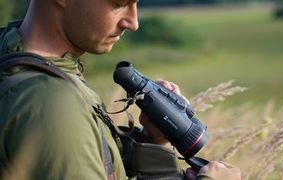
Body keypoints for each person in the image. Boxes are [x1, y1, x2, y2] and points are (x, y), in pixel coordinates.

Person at [0, 0, 241, 179]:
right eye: (119, 3)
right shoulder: (52, 106)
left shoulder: (23, 62)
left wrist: (152, 142)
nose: (133, 22)